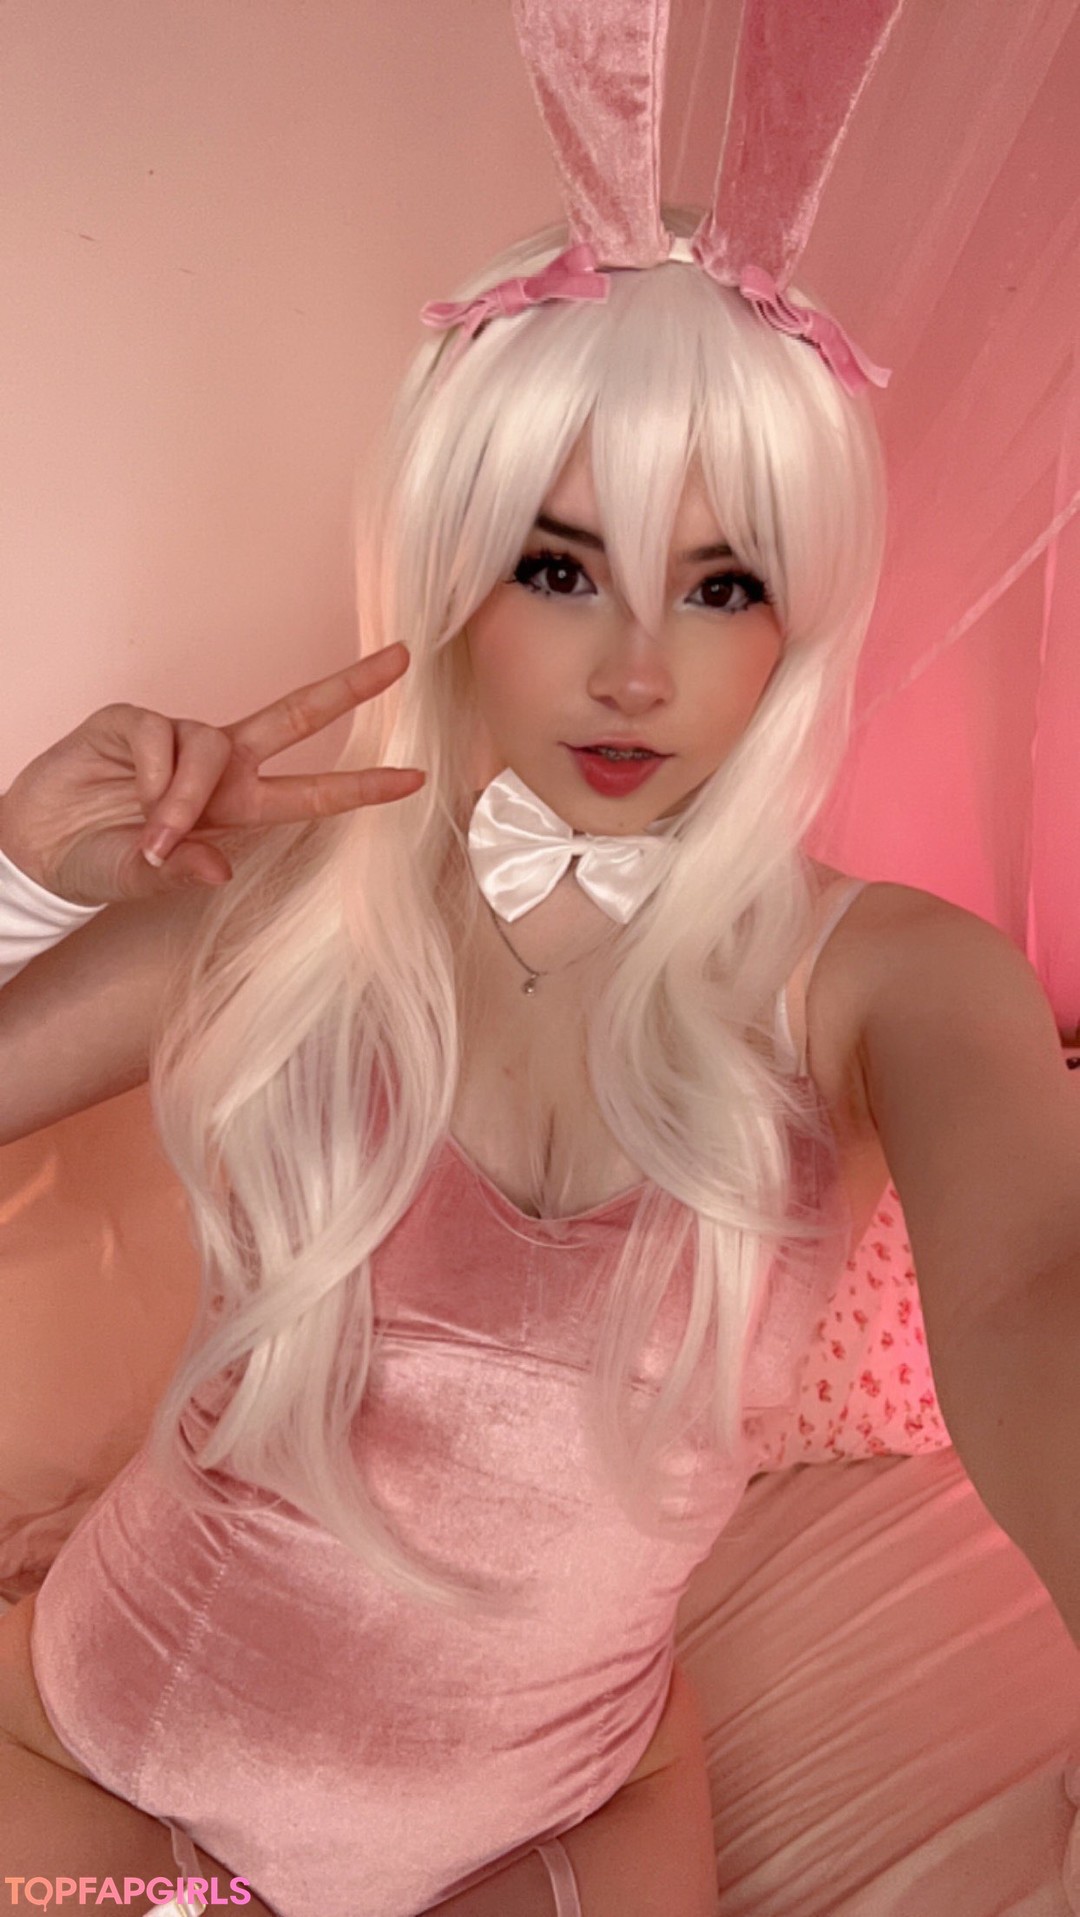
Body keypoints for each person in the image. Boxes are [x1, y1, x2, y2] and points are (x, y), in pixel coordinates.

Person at [0, 204, 891, 1917]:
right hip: (116, 1759)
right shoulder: (273, 909)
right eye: (559, 568)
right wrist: (21, 881)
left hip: (571, 1805)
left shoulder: (881, 976)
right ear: (452, 571)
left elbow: (1039, 1278)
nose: (638, 670)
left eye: (725, 585)